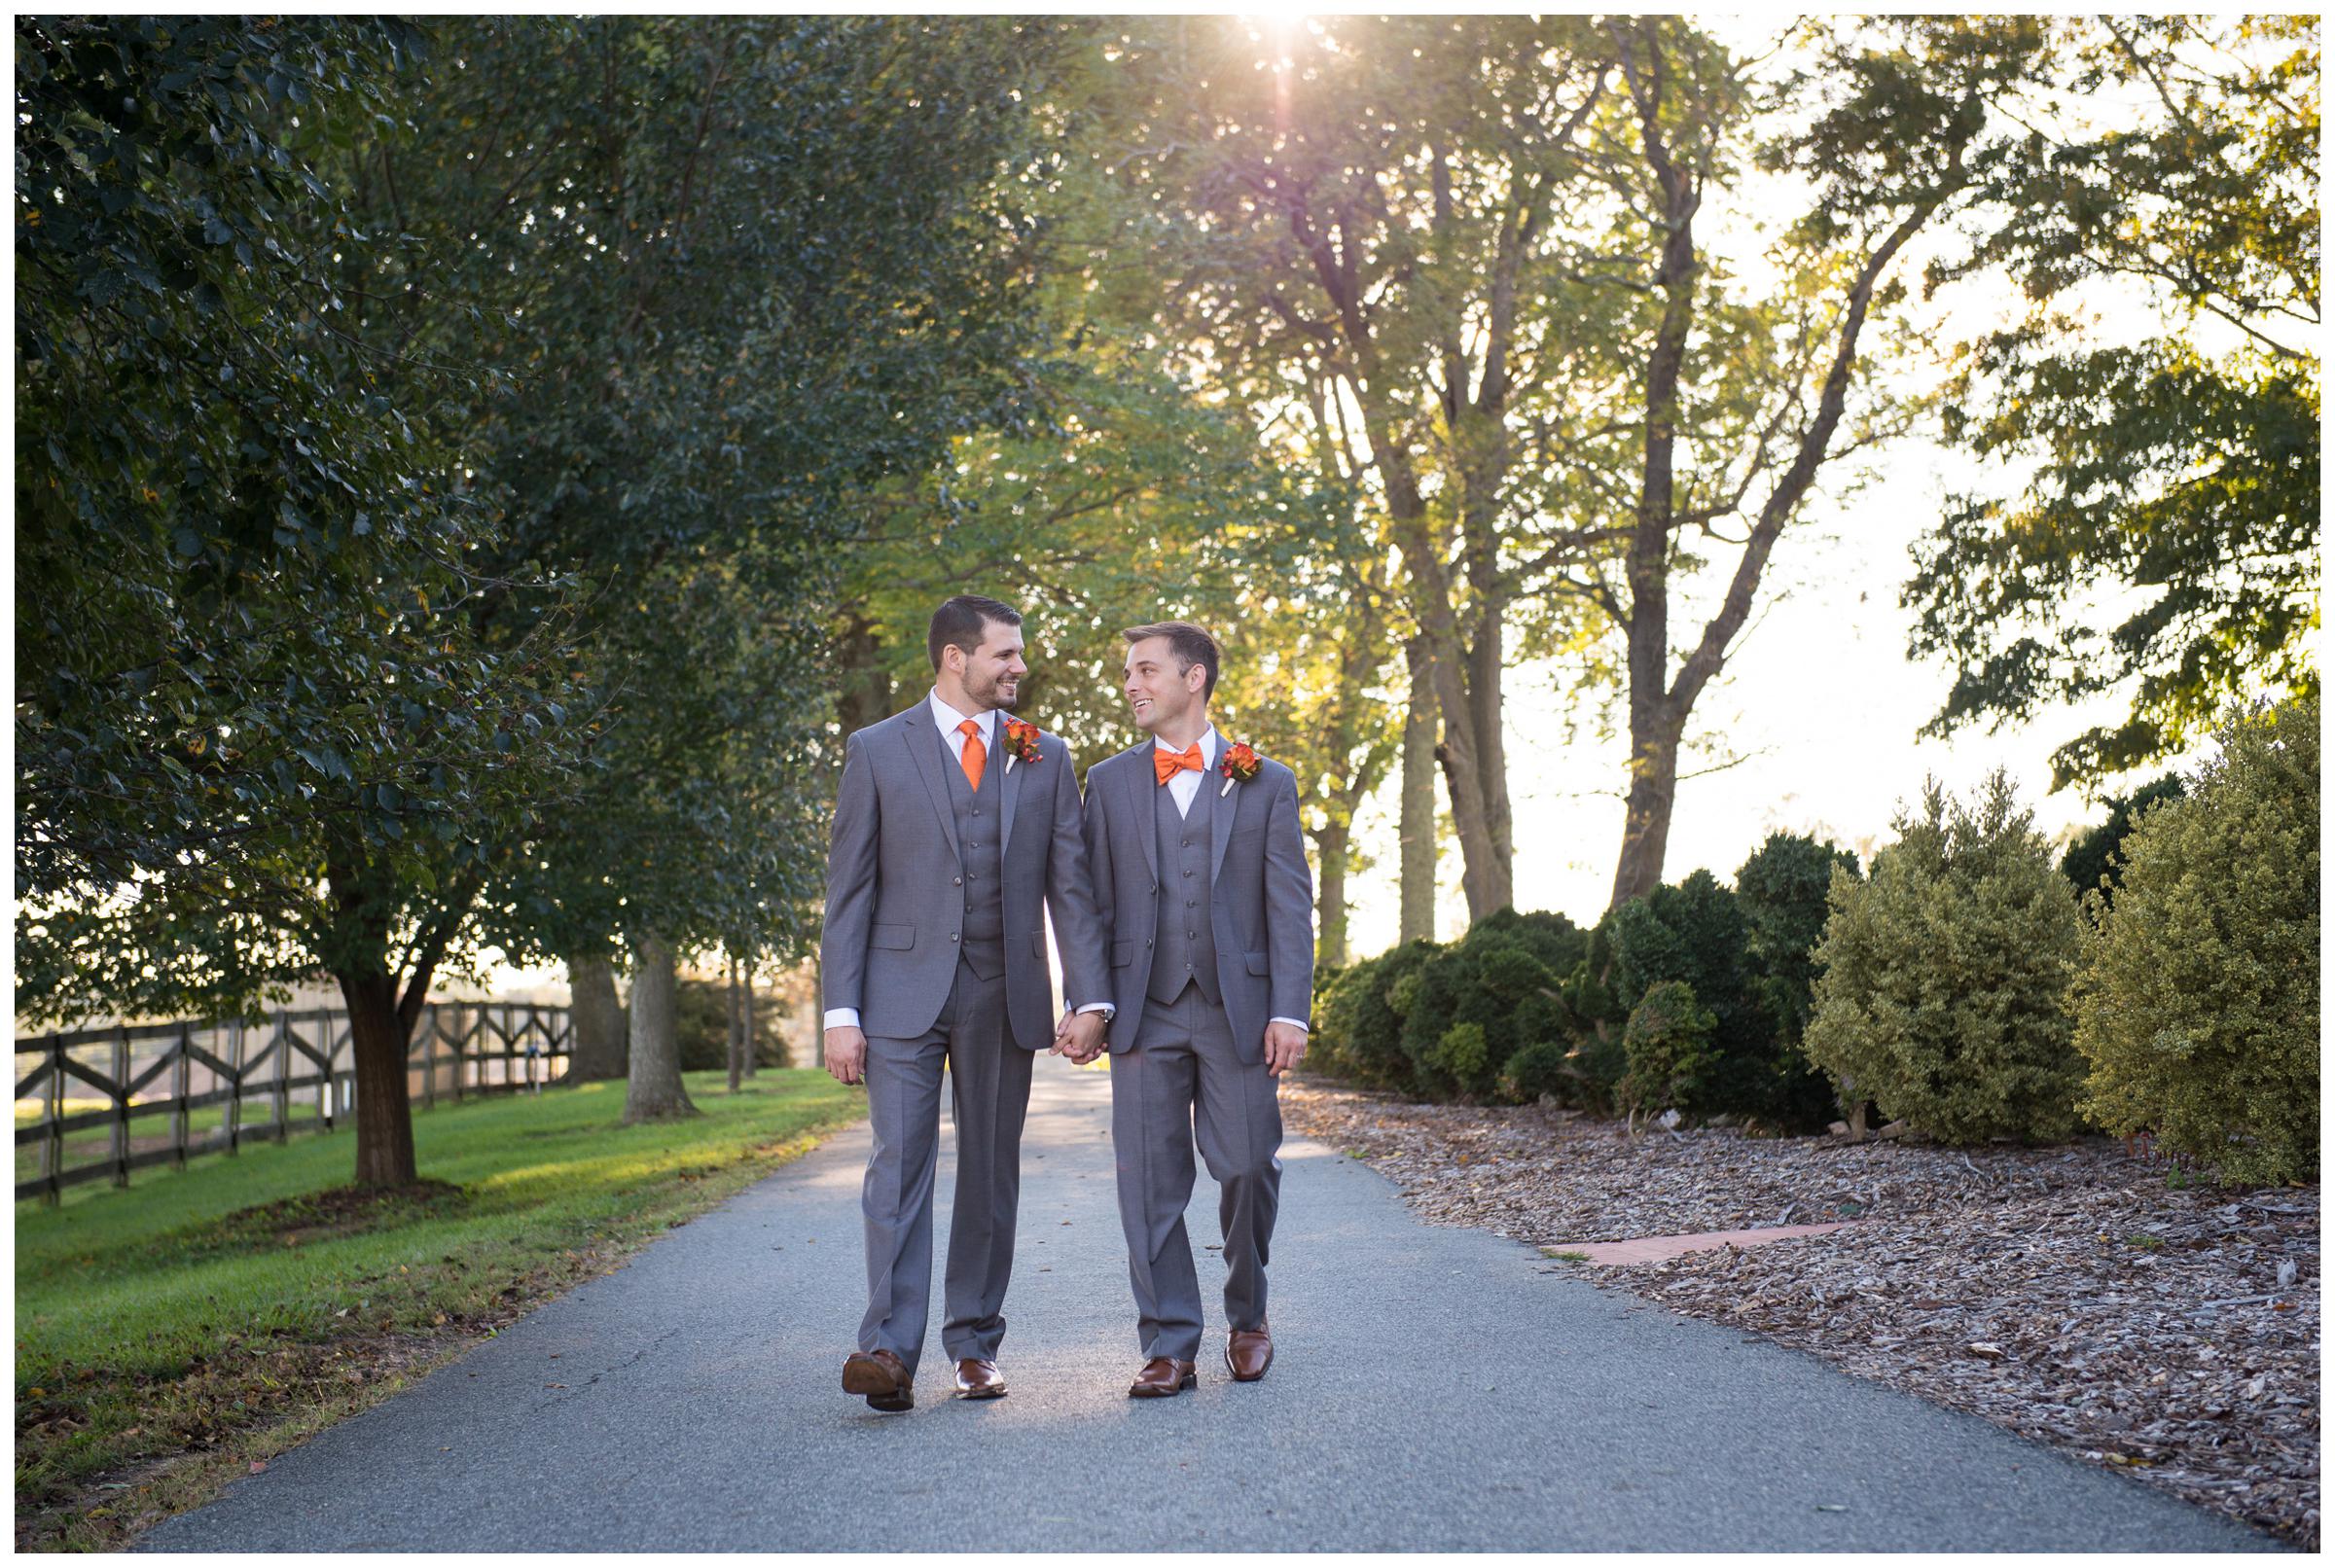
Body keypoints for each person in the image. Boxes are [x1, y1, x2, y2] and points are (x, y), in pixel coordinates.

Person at [820, 594, 1110, 1412]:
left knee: (989, 1172)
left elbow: (1073, 890)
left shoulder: (1044, 755)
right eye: (1006, 655)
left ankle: (974, 1346)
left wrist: (1090, 998)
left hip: (1003, 991)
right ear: (956, 657)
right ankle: (887, 1349)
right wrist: (841, 1013)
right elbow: (850, 893)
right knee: (898, 1168)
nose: (1020, 668)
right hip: (897, 994)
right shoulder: (876, 749)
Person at [1063, 620, 1313, 1398]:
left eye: (1144, 670)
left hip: (1238, 1011)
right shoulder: (1105, 783)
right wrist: (1089, 1001)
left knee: (1246, 1168)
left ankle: (1249, 1317)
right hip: (1144, 1011)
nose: (1131, 684)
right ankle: (1170, 1341)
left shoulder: (1265, 781)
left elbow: (1288, 905)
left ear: (1194, 678)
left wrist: (1290, 1011)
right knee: (1149, 1183)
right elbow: (1087, 905)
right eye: (1128, 672)